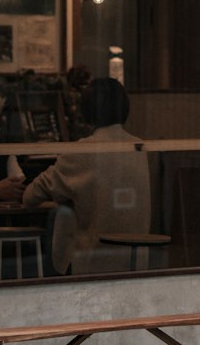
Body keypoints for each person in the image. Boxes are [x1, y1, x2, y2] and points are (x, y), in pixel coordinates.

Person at [22, 78, 151, 275]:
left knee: (62, 217)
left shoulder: (84, 150)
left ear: (86, 110)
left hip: (94, 262)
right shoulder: (138, 147)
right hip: (136, 260)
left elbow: (31, 196)